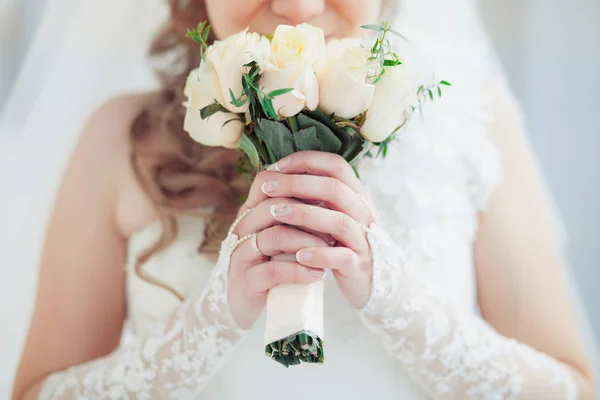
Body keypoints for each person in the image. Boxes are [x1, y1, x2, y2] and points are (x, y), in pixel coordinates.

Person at [10, 0, 597, 399]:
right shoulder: (122, 140)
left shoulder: (472, 124)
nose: (296, 3)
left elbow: (572, 389)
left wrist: (398, 301)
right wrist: (207, 326)